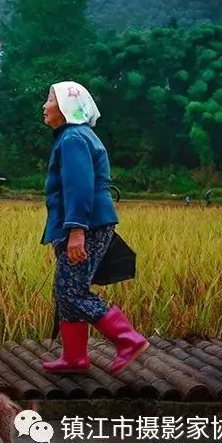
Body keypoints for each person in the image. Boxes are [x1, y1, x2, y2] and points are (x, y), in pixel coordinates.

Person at [40, 81, 148, 375]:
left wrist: (77, 231)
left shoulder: (73, 138)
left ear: (65, 107)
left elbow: (79, 188)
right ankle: (74, 358)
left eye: (50, 100)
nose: (45, 106)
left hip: (86, 224)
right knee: (67, 289)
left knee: (71, 291)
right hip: (87, 223)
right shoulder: (76, 135)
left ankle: (127, 338)